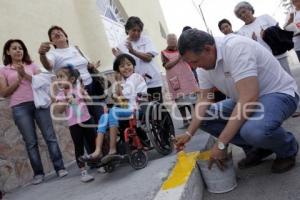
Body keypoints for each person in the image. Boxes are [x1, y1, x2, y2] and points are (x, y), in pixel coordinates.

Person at [175, 29, 299, 174]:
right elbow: (204, 99)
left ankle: (287, 149)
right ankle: (258, 148)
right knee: (204, 117)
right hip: (244, 99)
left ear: (208, 49)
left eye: (195, 62)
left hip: (277, 94)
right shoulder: (203, 64)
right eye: (191, 64)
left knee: (254, 131)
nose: (195, 67)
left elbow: (249, 98)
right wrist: (189, 133)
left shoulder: (236, 48)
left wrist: (221, 144)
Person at [0, 39, 68, 185]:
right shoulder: (4, 70)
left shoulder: (31, 65)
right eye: (14, 48)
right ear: (7, 52)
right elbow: (4, 93)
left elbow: (43, 82)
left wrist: (25, 75)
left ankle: (60, 168)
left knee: (50, 137)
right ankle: (38, 174)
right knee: (30, 142)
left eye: (20, 48)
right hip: (19, 107)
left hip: (39, 104)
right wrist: (18, 79)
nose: (18, 50)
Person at [81, 54, 147, 162]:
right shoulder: (124, 82)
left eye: (128, 64)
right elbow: (119, 100)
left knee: (113, 112)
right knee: (104, 117)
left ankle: (112, 150)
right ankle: (97, 151)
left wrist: (118, 85)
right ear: (118, 70)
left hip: (137, 109)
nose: (126, 67)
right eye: (122, 66)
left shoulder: (135, 77)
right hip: (127, 109)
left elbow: (124, 98)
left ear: (134, 66)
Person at [38, 25, 104, 123]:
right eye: (53, 33)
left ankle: (103, 137)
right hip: (75, 92)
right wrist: (42, 54)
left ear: (66, 36)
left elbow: (87, 64)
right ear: (52, 41)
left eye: (59, 31)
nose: (56, 33)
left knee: (100, 117)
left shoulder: (76, 48)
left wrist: (92, 65)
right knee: (85, 122)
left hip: (91, 86)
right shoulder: (53, 54)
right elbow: (48, 66)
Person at [53, 66, 95, 182]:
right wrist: (66, 100)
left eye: (61, 77)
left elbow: (90, 102)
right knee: (79, 146)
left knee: (93, 142)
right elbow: (59, 110)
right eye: (57, 77)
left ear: (71, 79)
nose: (58, 80)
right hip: (74, 124)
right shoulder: (61, 94)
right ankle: (83, 171)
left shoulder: (79, 89)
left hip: (87, 120)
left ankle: (97, 164)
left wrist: (84, 95)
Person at [112, 16, 163, 103]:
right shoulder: (121, 46)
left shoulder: (146, 40)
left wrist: (132, 51)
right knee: (145, 108)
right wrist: (118, 58)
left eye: (139, 31)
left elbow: (148, 58)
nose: (136, 33)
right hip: (138, 85)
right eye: (134, 30)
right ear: (127, 30)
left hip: (153, 82)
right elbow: (123, 68)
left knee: (158, 106)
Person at [234, 1, 292, 75]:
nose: (243, 15)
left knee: (288, 77)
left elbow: (279, 31)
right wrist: (253, 42)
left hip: (279, 55)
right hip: (264, 62)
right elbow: (246, 49)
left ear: (250, 10)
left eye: (244, 12)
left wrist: (267, 33)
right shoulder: (241, 32)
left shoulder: (265, 17)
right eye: (240, 15)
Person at [161, 33, 198, 128]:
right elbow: (166, 66)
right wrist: (178, 59)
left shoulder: (182, 49)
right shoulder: (164, 52)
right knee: (180, 101)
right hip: (175, 79)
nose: (173, 41)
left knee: (192, 99)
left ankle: (195, 119)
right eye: (171, 39)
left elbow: (190, 58)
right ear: (167, 41)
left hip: (186, 76)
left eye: (174, 39)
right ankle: (185, 120)